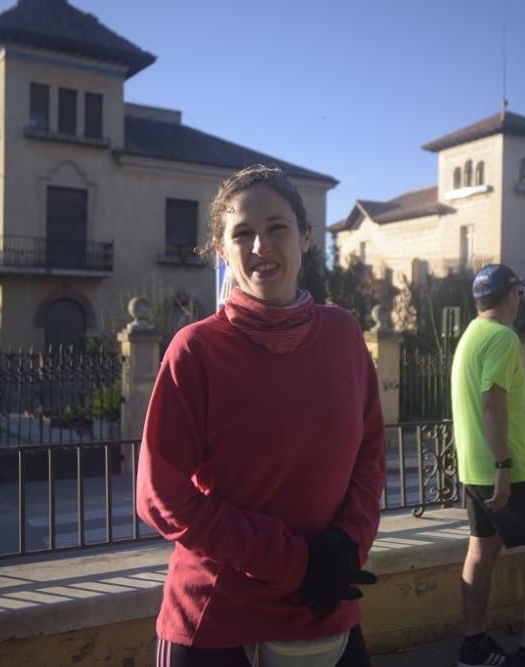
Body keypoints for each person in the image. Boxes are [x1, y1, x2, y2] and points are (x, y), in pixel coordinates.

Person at [136, 164, 385, 667]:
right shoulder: (197, 350)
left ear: (306, 236)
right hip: (218, 626)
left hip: (327, 609)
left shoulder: (344, 335)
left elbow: (370, 453)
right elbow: (159, 495)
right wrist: (293, 562)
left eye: (276, 228)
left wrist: (348, 545)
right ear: (221, 251)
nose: (260, 246)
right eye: (242, 234)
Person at [450, 265, 525, 667]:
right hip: (508, 470)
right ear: (508, 296)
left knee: (482, 552)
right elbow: (492, 401)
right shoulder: (504, 337)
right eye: (518, 292)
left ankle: (473, 648)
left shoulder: (470, 334)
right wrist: (504, 464)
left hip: (473, 467)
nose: (519, 299)